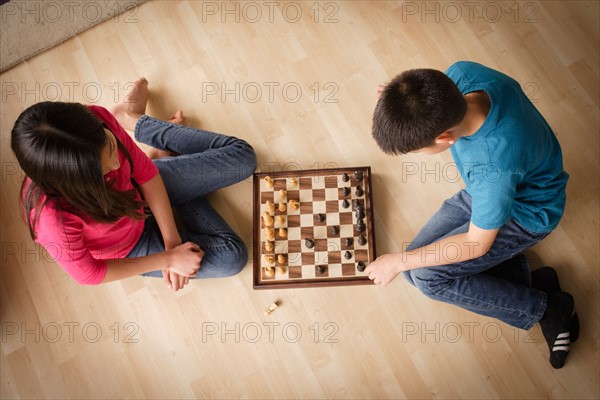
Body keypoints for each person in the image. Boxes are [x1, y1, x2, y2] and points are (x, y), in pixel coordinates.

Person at [366, 61, 578, 369]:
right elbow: (420, 96)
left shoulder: (492, 169)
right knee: (416, 263)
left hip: (527, 213)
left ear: (445, 138)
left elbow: (476, 244)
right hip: (490, 193)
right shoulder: (461, 75)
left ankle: (548, 308)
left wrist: (397, 261)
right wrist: (399, 103)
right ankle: (524, 277)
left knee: (426, 278)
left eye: (416, 150)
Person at [11, 78, 256, 292]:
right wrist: (167, 259)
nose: (117, 164)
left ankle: (131, 119)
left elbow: (146, 174)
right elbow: (90, 274)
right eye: (104, 169)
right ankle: (165, 158)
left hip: (142, 192)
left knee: (242, 159)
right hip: (132, 245)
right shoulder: (52, 219)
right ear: (79, 181)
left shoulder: (95, 120)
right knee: (232, 257)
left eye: (112, 146)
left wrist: (173, 243)